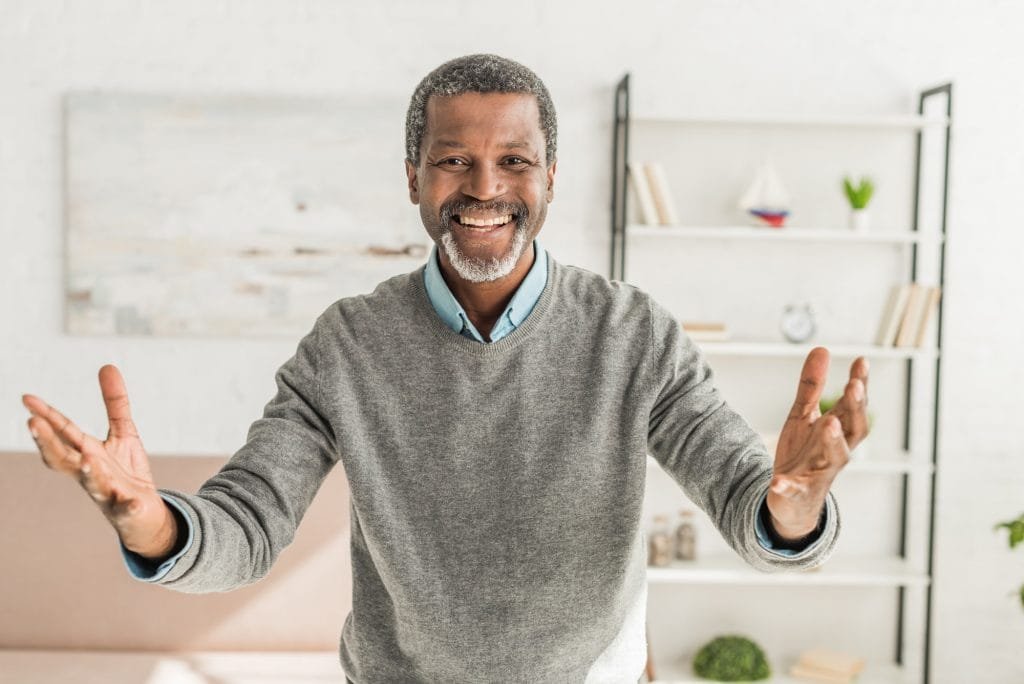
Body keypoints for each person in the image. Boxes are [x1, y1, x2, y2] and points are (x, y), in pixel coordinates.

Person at [22, 54, 869, 683]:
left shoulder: (633, 334)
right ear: (414, 178)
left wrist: (793, 508)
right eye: (454, 159)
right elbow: (247, 527)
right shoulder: (348, 344)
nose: (484, 187)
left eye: (515, 161)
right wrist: (149, 522)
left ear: (550, 179)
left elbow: (747, 502)